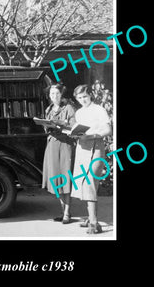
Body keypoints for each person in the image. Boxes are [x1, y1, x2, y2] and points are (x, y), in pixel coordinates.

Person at [70, 84, 111, 234]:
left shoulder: (99, 109)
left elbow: (108, 130)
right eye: (79, 98)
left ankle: (94, 223)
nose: (83, 100)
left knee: (90, 183)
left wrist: (92, 136)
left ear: (90, 95)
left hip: (96, 147)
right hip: (82, 148)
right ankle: (90, 216)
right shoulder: (79, 112)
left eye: (85, 97)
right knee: (82, 183)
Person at [42, 83, 77, 224]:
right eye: (51, 94)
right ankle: (63, 212)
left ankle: (67, 213)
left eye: (56, 93)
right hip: (52, 145)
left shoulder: (68, 108)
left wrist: (61, 124)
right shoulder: (49, 109)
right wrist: (47, 125)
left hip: (65, 145)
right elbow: (46, 128)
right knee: (56, 179)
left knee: (65, 178)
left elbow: (74, 126)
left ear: (61, 94)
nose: (54, 96)